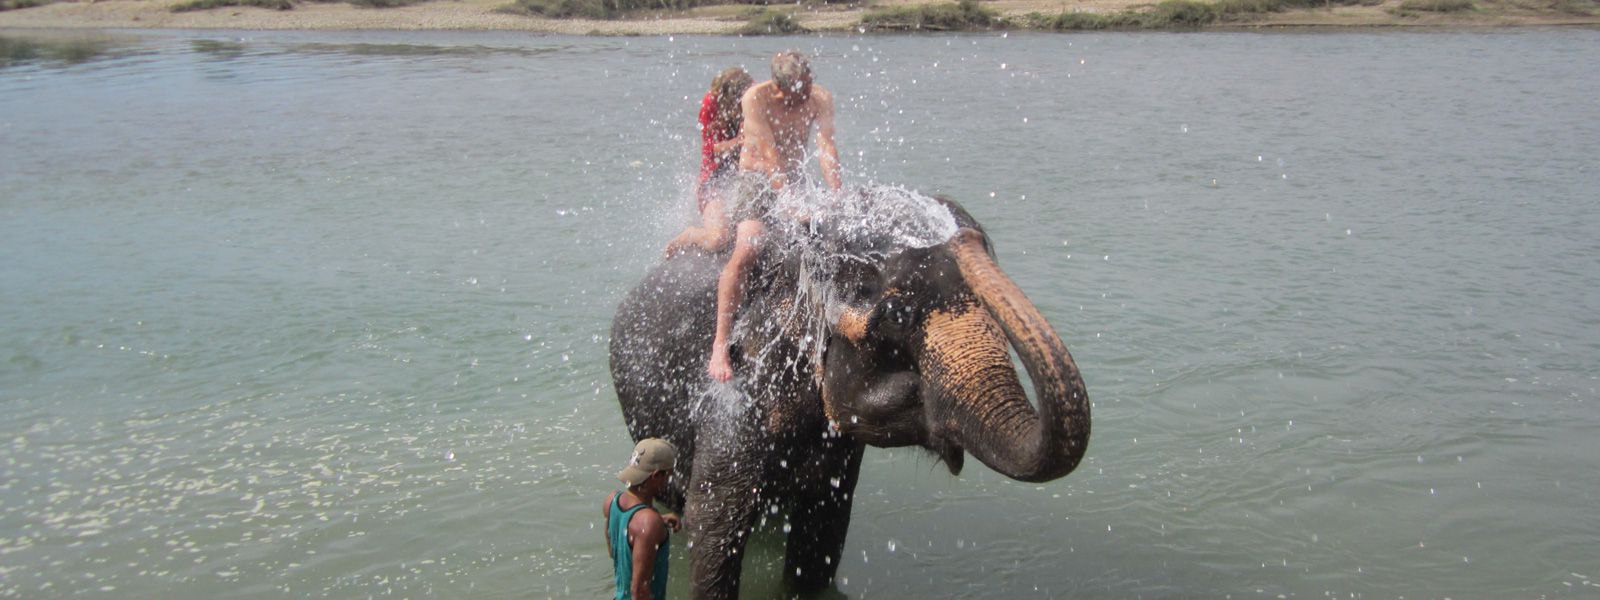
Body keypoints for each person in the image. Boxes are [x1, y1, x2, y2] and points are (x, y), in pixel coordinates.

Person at [707, 50, 842, 382]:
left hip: (795, 177)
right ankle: (720, 343)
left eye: (809, 86)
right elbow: (768, 157)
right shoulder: (756, 99)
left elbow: (826, 148)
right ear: (781, 87)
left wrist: (838, 192)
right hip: (756, 180)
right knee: (747, 249)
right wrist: (789, 201)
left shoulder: (820, 97)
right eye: (800, 90)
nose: (806, 95)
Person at [665, 67, 754, 257]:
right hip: (714, 178)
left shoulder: (754, 97)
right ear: (732, 97)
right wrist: (739, 141)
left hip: (744, 175)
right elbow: (708, 149)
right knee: (718, 239)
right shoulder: (711, 104)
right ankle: (690, 235)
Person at [603, 438, 681, 600]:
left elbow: (614, 551)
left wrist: (658, 519)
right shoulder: (648, 523)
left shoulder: (612, 501)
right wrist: (652, 524)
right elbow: (639, 591)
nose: (668, 482)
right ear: (656, 476)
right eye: (668, 476)